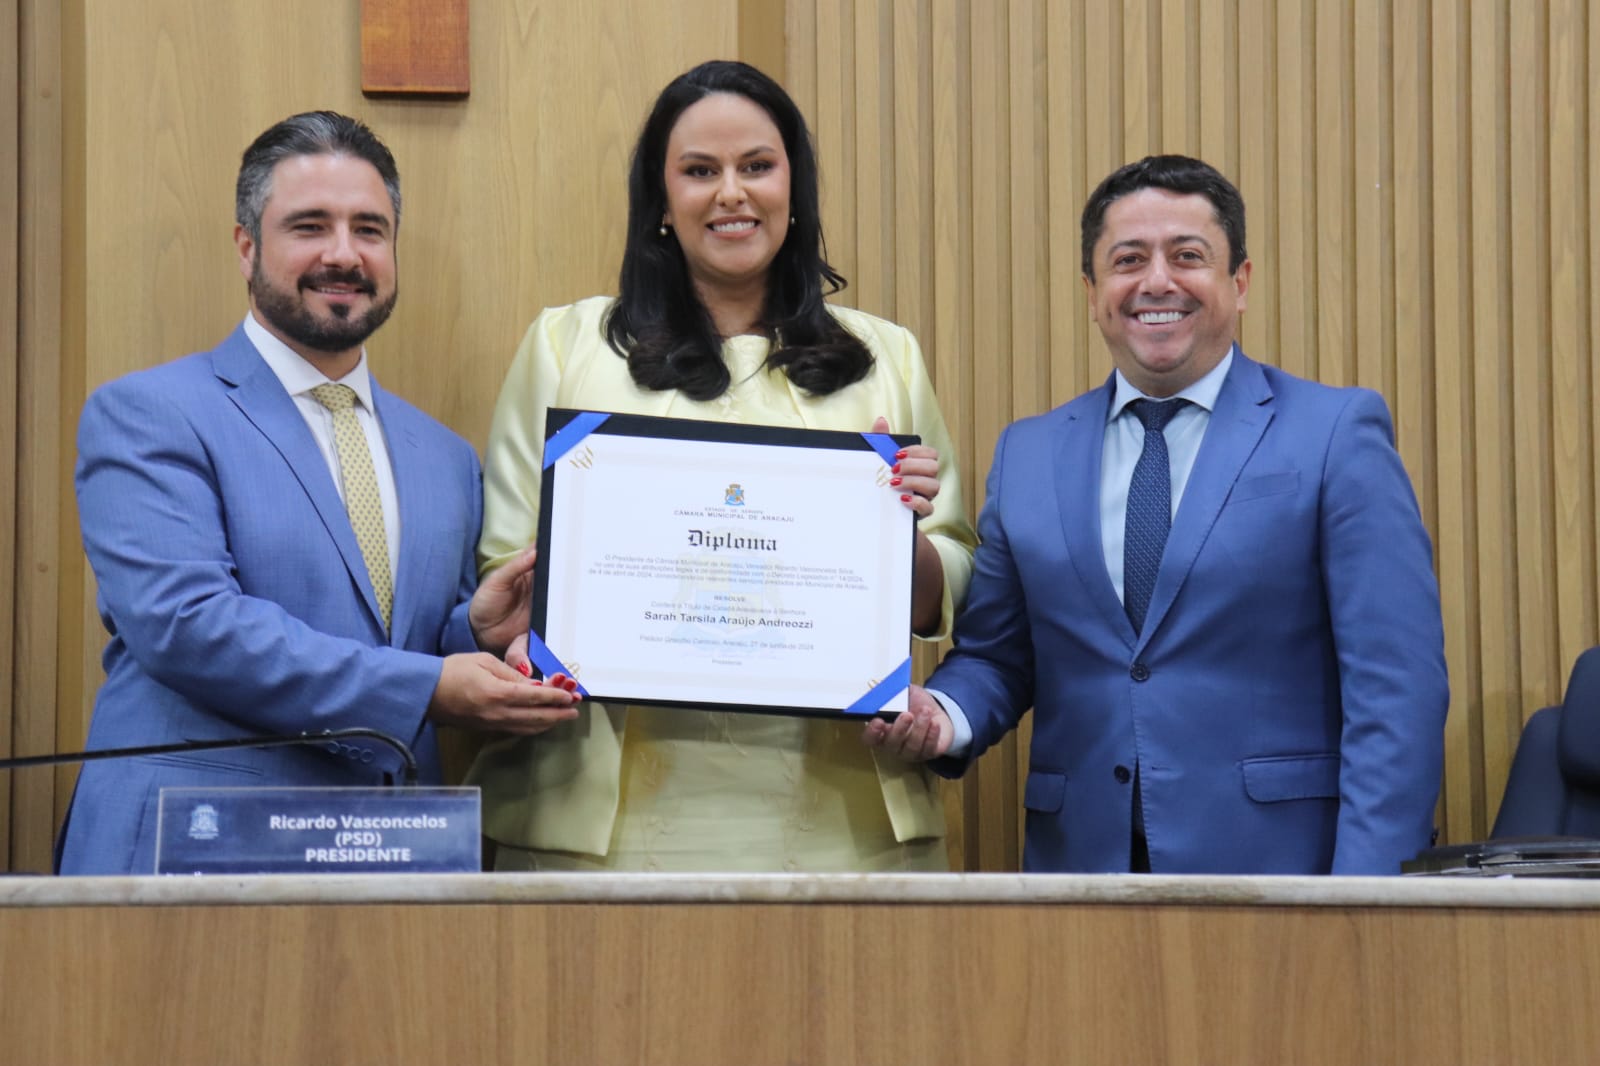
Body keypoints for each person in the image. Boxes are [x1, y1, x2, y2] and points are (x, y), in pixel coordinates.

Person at [867, 155, 1448, 875]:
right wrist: (941, 717)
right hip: (1082, 876)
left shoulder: (1334, 433)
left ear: (1240, 283)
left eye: (1188, 256)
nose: (1157, 282)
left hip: (1288, 877)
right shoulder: (1030, 453)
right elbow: (996, 655)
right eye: (1128, 260)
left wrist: (1369, 895)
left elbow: (1397, 689)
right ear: (1092, 291)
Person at [467, 61, 977, 872]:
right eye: (700, 171)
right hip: (605, 821)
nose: (731, 192)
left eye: (757, 167)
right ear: (661, 202)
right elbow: (507, 565)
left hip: (842, 822)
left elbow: (944, 584)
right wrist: (529, 633)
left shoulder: (886, 356)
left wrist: (899, 532)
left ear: (795, 188)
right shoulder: (567, 345)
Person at [58, 111, 578, 875]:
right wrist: (432, 683)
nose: (344, 254)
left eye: (369, 229)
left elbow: (407, 651)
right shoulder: (147, 414)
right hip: (191, 858)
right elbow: (187, 625)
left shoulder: (444, 456)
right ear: (246, 246)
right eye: (310, 226)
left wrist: (472, 628)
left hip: (395, 867)